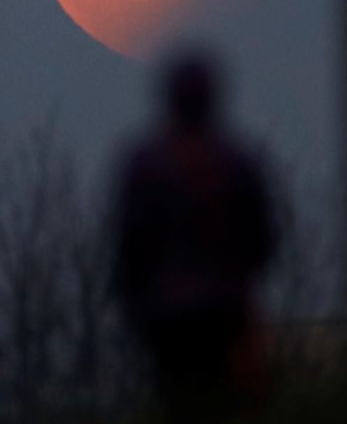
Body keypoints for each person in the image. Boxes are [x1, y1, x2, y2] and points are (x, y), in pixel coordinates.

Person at [111, 49, 278, 420]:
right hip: (223, 313)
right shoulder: (236, 163)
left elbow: (129, 245)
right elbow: (264, 241)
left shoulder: (146, 165)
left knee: (180, 405)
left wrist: (134, 303)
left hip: (168, 319)